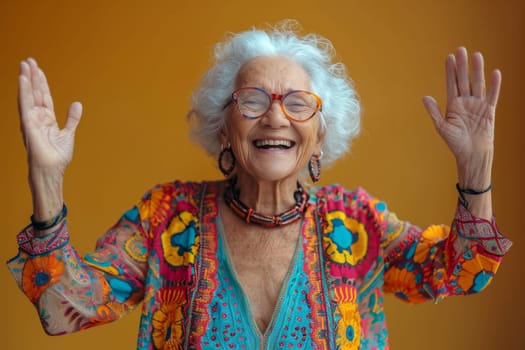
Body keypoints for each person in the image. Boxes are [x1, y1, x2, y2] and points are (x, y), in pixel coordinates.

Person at [8, 22, 512, 350]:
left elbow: (462, 274)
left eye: (297, 103)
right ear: (223, 126)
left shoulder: (358, 223)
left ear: (320, 134)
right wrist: (47, 181)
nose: (275, 116)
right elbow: (61, 306)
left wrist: (476, 171)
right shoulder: (167, 217)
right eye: (252, 100)